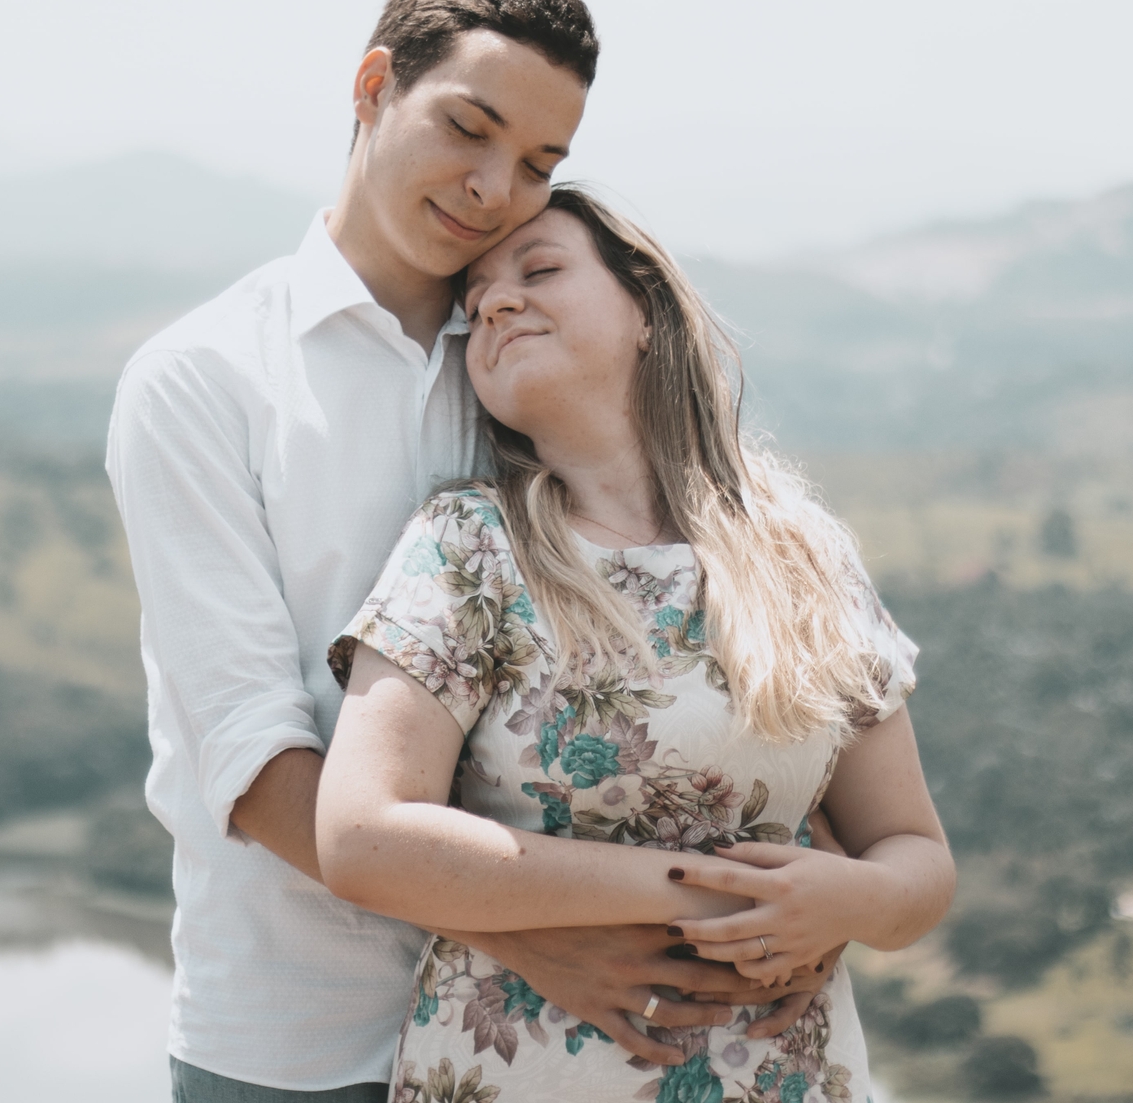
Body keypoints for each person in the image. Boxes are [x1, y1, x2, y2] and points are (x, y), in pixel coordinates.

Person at [108, 0, 836, 1103]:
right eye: (469, 128)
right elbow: (246, 755)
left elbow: (688, 636)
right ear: (370, 87)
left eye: (540, 163)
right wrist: (519, 936)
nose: (496, 187)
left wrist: (807, 896)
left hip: (566, 1043)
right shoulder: (202, 380)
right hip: (302, 1035)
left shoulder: (527, 354)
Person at [315, 187, 955, 1103]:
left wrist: (847, 902)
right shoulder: (467, 548)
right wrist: (697, 892)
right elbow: (362, 838)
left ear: (648, 311)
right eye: (475, 304)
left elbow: (914, 854)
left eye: (539, 270)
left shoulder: (799, 553)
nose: (495, 301)